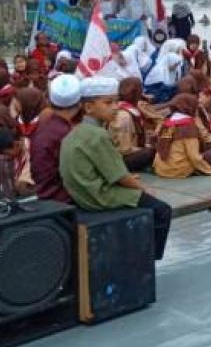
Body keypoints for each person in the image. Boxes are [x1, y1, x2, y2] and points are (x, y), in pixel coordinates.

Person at [60, 76, 173, 260]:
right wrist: (144, 189)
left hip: (83, 194)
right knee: (162, 210)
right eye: (108, 103)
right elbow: (119, 175)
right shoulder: (97, 135)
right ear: (88, 107)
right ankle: (148, 260)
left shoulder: (75, 132)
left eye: (115, 101)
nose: (115, 107)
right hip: (98, 197)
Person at [28, 74, 81, 201]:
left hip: (44, 193)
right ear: (80, 104)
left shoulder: (44, 126)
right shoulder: (66, 133)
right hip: (61, 198)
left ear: (50, 102)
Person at [153, 94, 211, 178]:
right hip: (178, 169)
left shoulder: (167, 122)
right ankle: (197, 170)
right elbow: (194, 157)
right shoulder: (188, 126)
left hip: (161, 169)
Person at [111, 77, 156, 172]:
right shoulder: (124, 116)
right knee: (153, 151)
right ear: (137, 93)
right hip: (120, 159)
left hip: (128, 150)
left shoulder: (131, 109)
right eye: (141, 90)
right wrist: (145, 147)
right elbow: (124, 149)